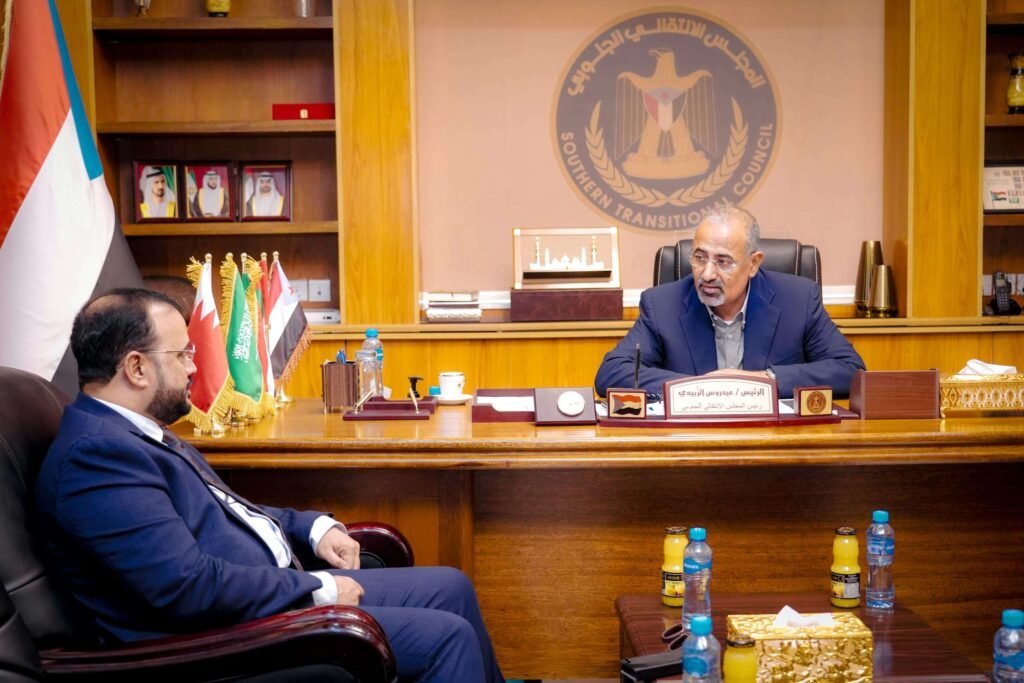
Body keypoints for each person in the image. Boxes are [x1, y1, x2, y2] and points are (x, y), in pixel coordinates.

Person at [35, 289, 504, 683]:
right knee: (447, 638)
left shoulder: (131, 430)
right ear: (136, 368)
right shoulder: (97, 457)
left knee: (451, 587)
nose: (194, 368)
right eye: (182, 355)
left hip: (264, 595)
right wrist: (316, 590)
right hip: (222, 639)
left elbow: (229, 511)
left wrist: (312, 528)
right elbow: (185, 587)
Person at [594, 206, 865, 398]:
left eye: (723, 261)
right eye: (699, 258)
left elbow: (850, 371)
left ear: (753, 264)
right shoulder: (663, 304)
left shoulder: (798, 300)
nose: (707, 274)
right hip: (693, 445)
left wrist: (763, 380)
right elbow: (613, 373)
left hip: (776, 444)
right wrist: (702, 389)